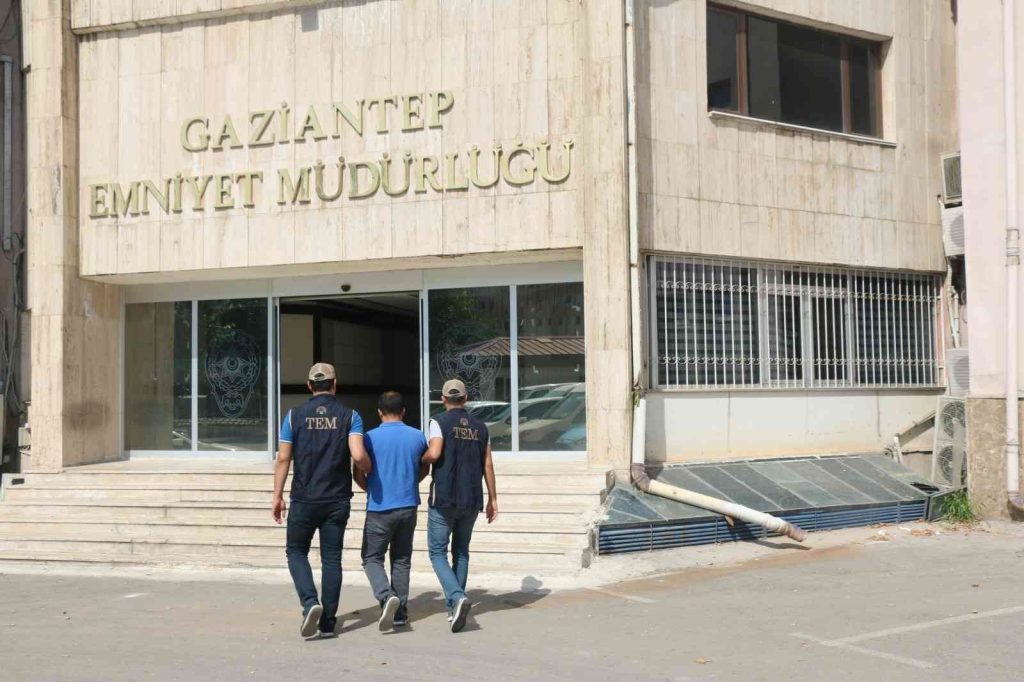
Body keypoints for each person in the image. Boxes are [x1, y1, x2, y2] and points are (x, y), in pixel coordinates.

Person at [272, 363, 371, 639]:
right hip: (337, 499)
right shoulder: (351, 416)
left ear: (309, 386)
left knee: (295, 551)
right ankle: (328, 622)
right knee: (331, 559)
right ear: (334, 384)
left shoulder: (293, 416)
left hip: (304, 498)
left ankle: (309, 603)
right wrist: (370, 473)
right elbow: (358, 455)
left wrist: (277, 496)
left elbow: (283, 458)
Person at [422, 379, 498, 633]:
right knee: (462, 552)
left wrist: (419, 460)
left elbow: (434, 454)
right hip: (471, 498)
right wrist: (493, 498)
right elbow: (487, 464)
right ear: (465, 399)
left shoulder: (438, 422)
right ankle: (454, 605)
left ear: (444, 399)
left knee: (437, 552)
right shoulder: (481, 427)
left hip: (444, 497)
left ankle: (456, 597)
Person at [354, 391, 429, 632]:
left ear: (379, 412)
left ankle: (386, 597)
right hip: (408, 505)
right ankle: (400, 612)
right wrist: (409, 483)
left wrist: (370, 487)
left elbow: (358, 471)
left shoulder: (368, 438)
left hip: (379, 506)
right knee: (401, 558)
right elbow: (424, 469)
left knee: (371, 557)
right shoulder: (417, 436)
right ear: (403, 411)